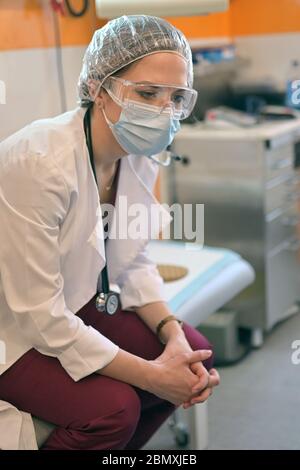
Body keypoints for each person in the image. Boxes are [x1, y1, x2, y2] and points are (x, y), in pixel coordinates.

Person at [0, 15, 219, 450]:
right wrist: (153, 376)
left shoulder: (136, 152)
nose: (164, 111)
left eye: (177, 97)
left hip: (78, 304)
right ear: (100, 88)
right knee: (116, 409)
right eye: (147, 93)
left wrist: (171, 333)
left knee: (194, 359)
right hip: (15, 331)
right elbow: (38, 312)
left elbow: (132, 259)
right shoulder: (38, 163)